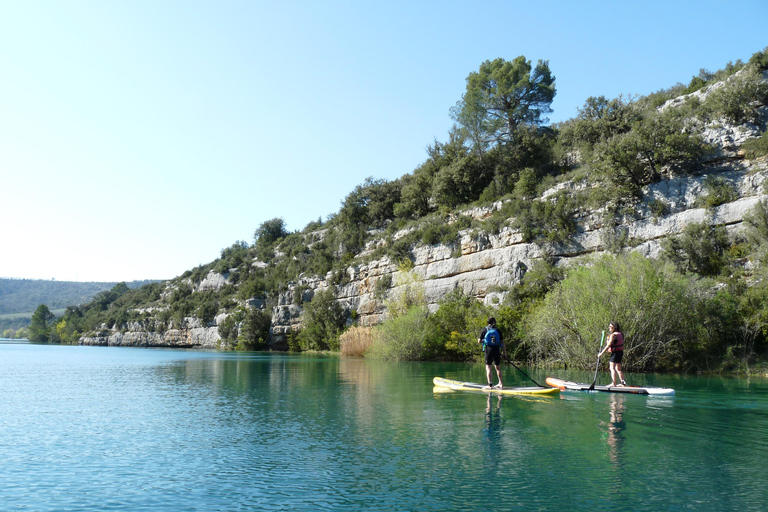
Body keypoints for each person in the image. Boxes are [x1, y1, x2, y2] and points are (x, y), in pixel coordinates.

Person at [478, 317, 506, 389]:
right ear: (494, 322)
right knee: (498, 368)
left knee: (488, 368)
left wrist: (484, 340)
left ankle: (490, 385)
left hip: (488, 350)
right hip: (496, 349)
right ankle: (501, 384)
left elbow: (479, 341)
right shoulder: (498, 330)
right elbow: (502, 342)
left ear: (488, 322)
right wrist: (504, 353)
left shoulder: (484, 329)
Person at [598, 321, 626, 387]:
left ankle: (614, 383)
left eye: (610, 327)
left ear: (614, 327)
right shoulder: (620, 333)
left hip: (615, 353)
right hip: (620, 352)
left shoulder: (613, 335)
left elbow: (608, 345)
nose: (609, 328)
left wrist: (601, 353)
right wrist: (605, 334)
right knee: (618, 368)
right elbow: (613, 337)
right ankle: (622, 382)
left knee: (612, 368)